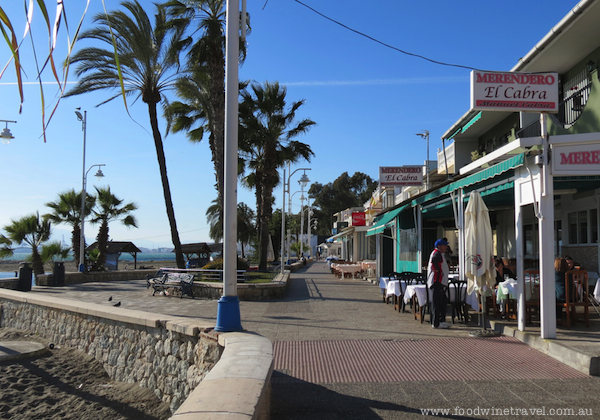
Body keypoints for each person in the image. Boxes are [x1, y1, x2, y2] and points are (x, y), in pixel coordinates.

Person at [427, 238, 451, 329]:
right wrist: (437, 270)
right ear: (439, 246)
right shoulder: (437, 253)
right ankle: (436, 323)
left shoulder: (439, 253)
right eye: (445, 245)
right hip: (437, 281)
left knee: (443, 301)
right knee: (437, 303)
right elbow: (434, 260)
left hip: (439, 281)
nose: (446, 247)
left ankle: (441, 321)